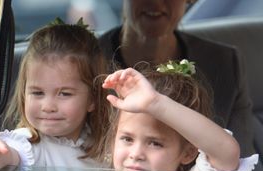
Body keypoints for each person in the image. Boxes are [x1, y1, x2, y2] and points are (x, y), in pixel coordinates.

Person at [98, 0, 256, 162]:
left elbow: (238, 159)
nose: (157, 3)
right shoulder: (87, 59)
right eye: (127, 139)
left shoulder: (225, 63)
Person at [0, 18, 110, 171]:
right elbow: (10, 156)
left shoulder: (98, 143)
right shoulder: (29, 144)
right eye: (38, 93)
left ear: (92, 99)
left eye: (64, 93)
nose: (48, 106)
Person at [102, 60, 258, 171]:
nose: (136, 154)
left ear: (188, 153)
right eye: (127, 139)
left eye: (155, 143)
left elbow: (226, 153)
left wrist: (156, 104)